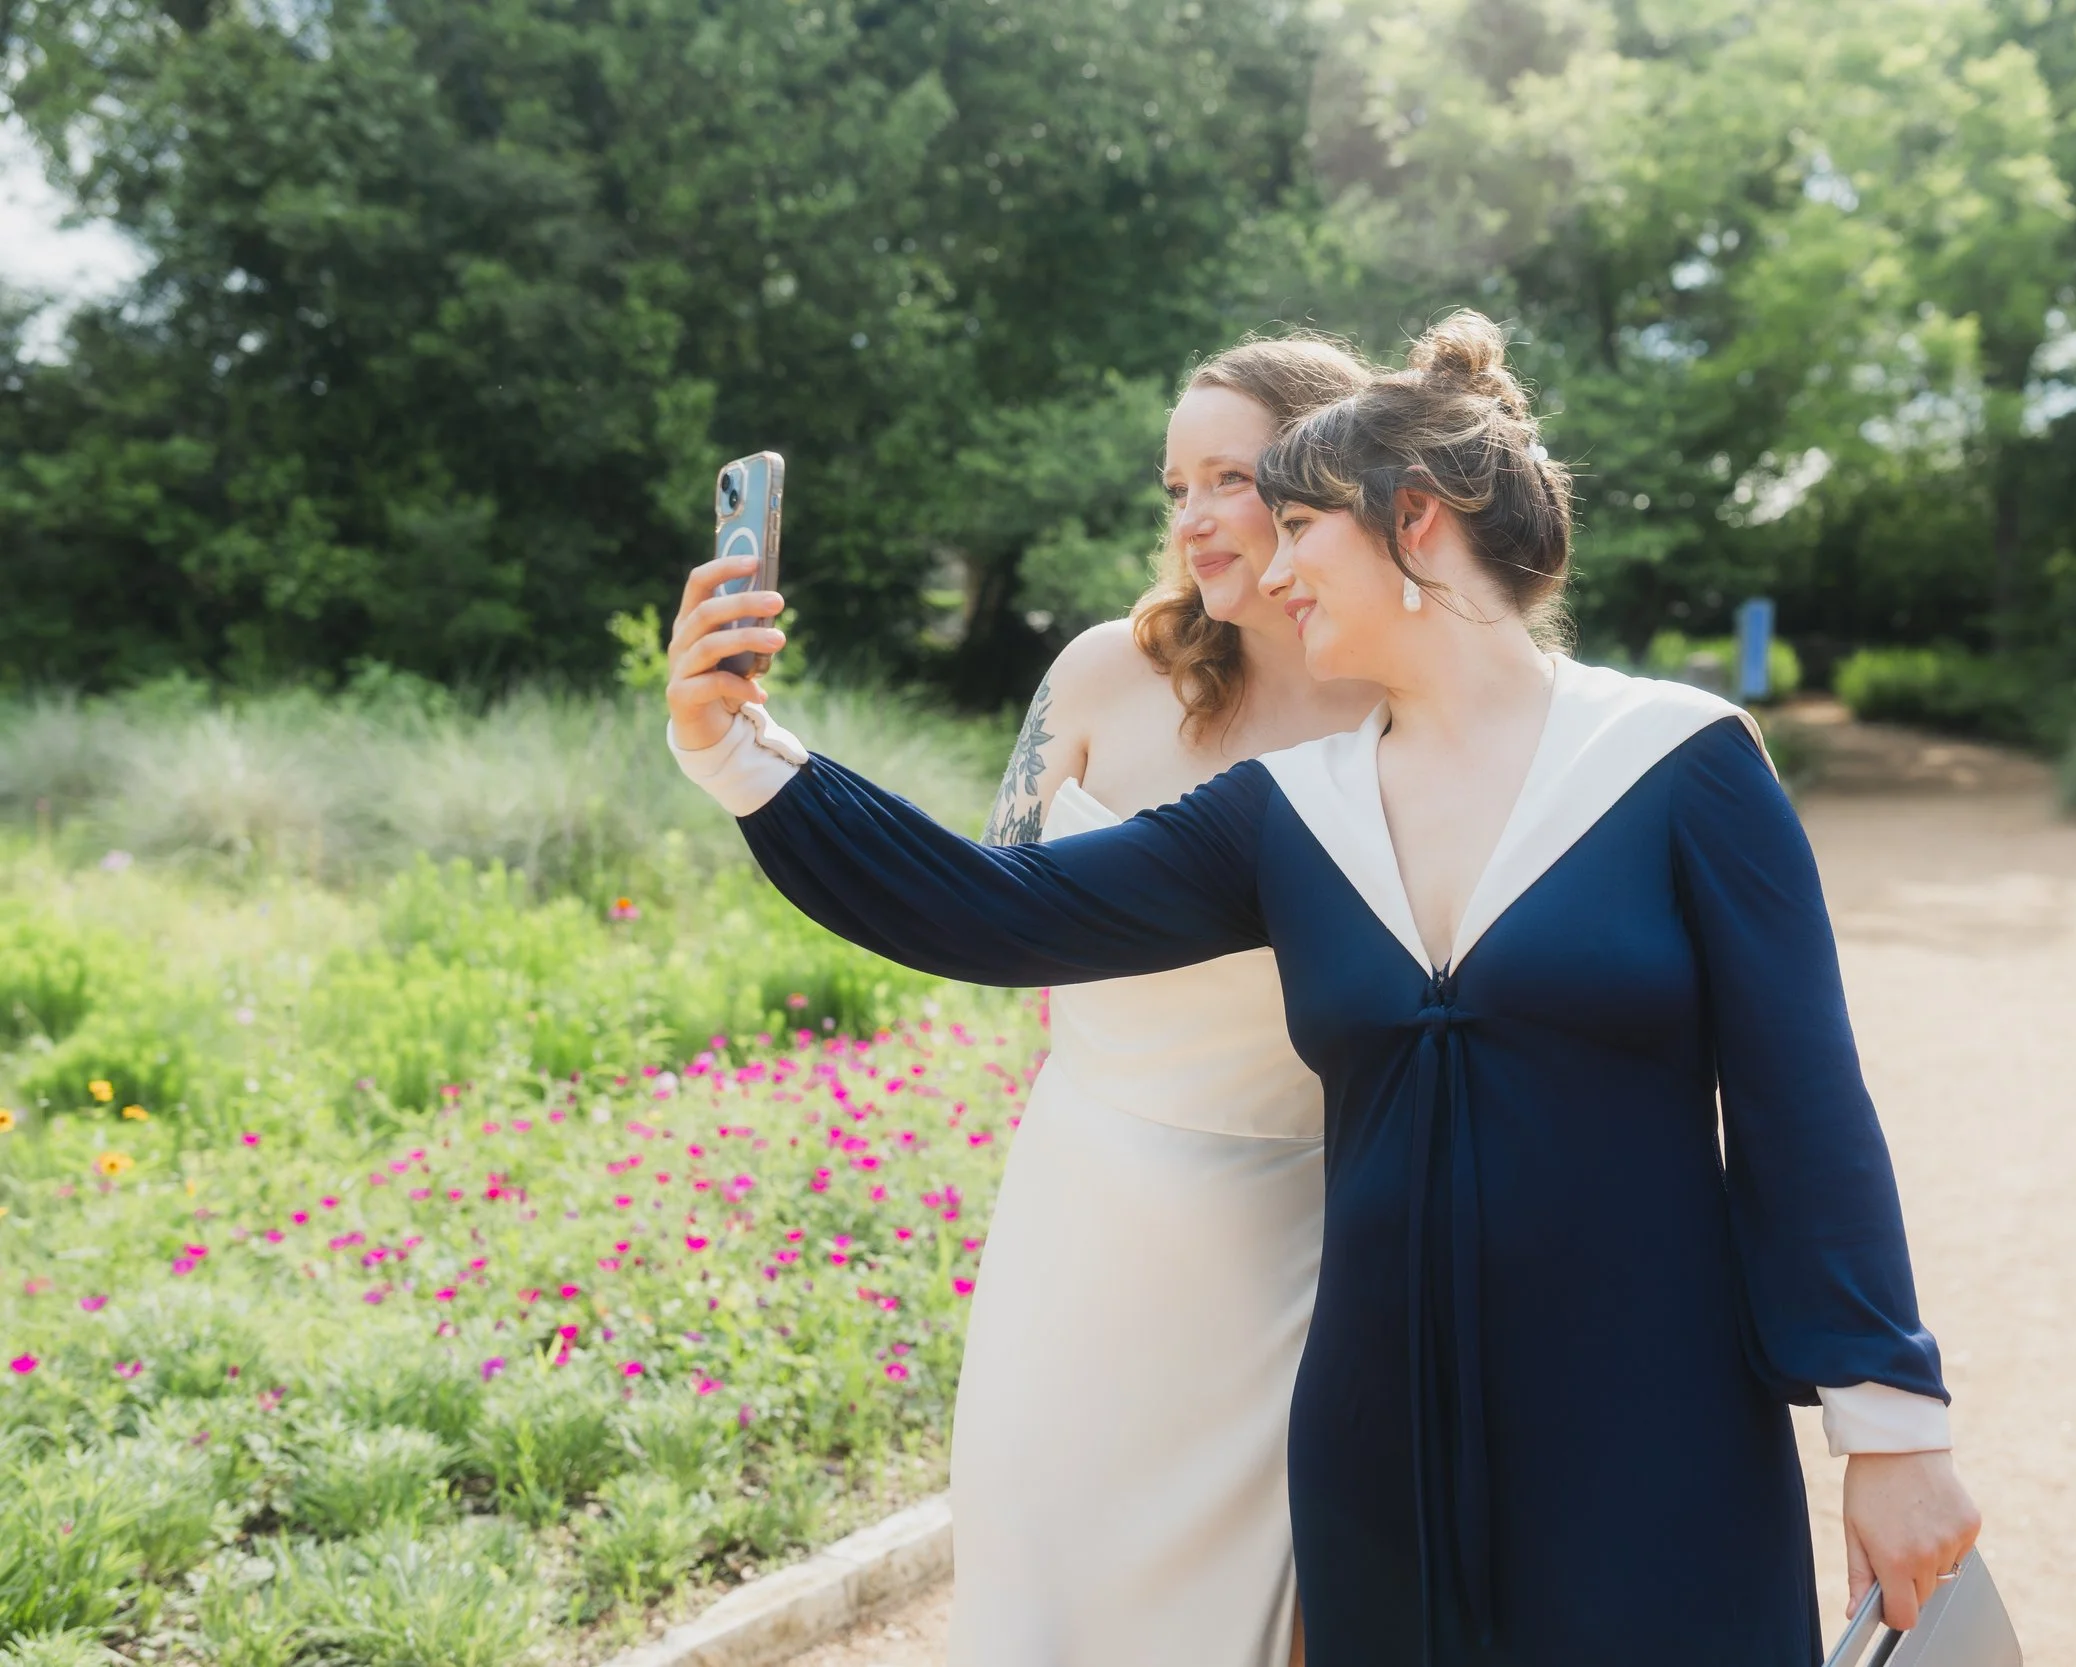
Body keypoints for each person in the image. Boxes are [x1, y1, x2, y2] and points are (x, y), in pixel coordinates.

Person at [665, 312, 1980, 1666]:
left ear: (1415, 521)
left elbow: (1803, 1106)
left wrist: (1893, 1429)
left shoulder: (1680, 764)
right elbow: (999, 908)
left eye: (1300, 529)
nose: (1269, 568)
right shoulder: (1287, 813)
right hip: (1378, 1444)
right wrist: (744, 757)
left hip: (1651, 1415)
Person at [676, 335, 1380, 1667]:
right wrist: (741, 749)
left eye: (1229, 477)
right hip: (1083, 1221)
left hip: (1301, 1249)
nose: (1191, 519)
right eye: (1175, 485)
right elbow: (985, 899)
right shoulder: (1105, 671)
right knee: (1048, 1595)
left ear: (1331, 483)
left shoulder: (1406, 715)